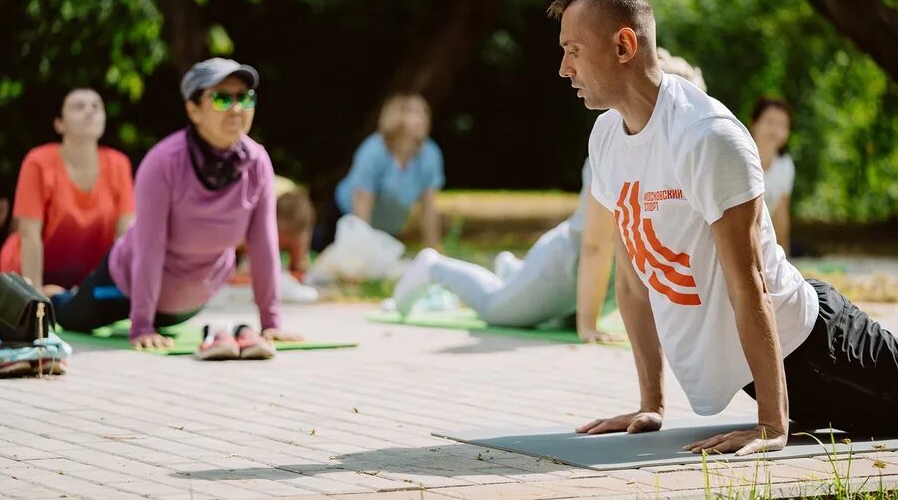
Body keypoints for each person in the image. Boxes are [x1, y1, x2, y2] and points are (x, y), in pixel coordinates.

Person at [549, 0, 898, 456]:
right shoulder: (607, 137)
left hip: (822, 350)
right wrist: (651, 403)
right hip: (772, 368)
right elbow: (632, 281)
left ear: (625, 44)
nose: (564, 68)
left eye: (574, 49)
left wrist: (772, 427)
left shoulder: (707, 136)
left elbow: (748, 281)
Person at [392, 51, 707, 343]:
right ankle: (435, 267)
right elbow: (595, 246)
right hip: (567, 266)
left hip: (605, 280)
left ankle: (513, 271)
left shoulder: (685, 156)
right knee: (495, 309)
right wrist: (588, 325)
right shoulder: (613, 147)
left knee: (553, 319)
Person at [51, 58, 302, 358]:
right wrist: (141, 325)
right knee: (66, 315)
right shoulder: (164, 162)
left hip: (187, 303)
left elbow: (264, 244)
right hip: (124, 288)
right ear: (193, 110)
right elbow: (149, 247)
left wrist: (271, 322)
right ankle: (50, 293)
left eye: (244, 97)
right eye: (222, 98)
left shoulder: (257, 162)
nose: (236, 108)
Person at [0, 89, 134, 294]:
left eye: (96, 106)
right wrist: (34, 295)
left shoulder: (119, 164)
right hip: (26, 273)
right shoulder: (38, 162)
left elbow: (125, 236)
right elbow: (29, 234)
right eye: (79, 106)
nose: (90, 111)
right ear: (59, 123)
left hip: (83, 283)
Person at [315, 93, 444, 250]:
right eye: (413, 112)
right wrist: (361, 248)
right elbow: (362, 205)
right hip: (346, 217)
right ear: (396, 116)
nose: (422, 118)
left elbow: (428, 208)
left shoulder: (430, 154)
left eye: (425, 112)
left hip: (387, 228)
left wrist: (434, 250)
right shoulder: (374, 151)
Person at [749, 98, 794, 254]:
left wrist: (785, 257)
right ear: (753, 123)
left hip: (764, 244)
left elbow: (781, 215)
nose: (775, 130)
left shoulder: (785, 165)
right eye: (769, 122)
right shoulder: (740, 159)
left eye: (782, 125)